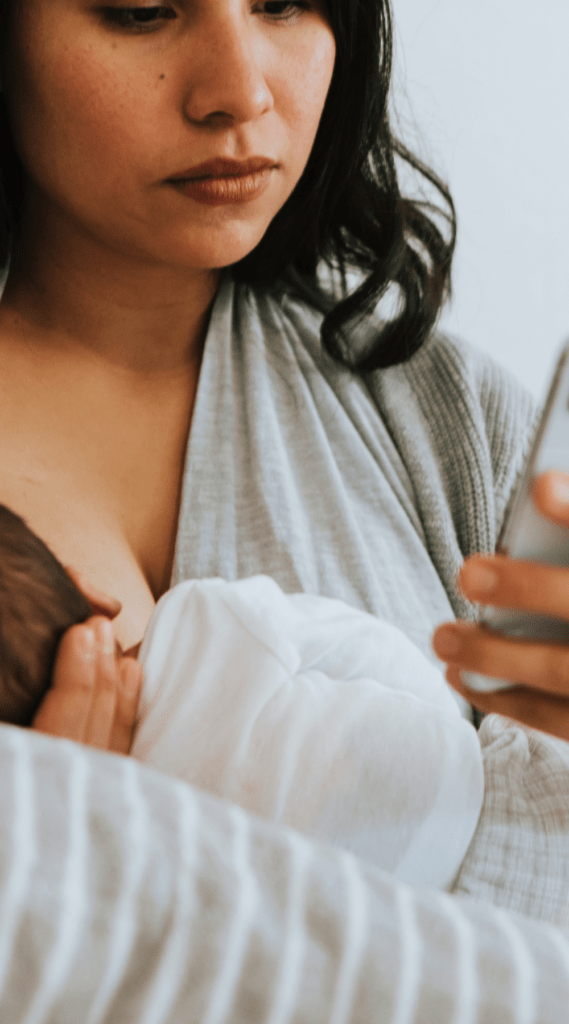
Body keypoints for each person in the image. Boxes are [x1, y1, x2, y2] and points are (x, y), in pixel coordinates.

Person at [1, 0, 569, 1020]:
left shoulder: (444, 421)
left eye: (284, 2)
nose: (240, 93)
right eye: (139, 11)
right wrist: (47, 864)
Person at [0, 501, 484, 890]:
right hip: (463, 800)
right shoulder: (204, 622)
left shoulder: (114, 864)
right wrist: (451, 738)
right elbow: (363, 647)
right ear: (92, 598)